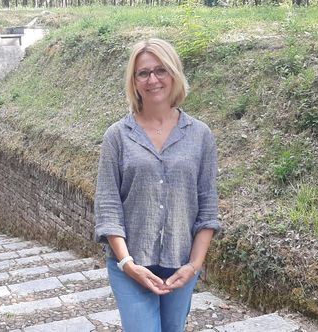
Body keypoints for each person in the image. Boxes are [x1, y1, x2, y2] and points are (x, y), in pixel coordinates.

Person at [94, 38, 221, 332]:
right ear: (134, 81)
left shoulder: (200, 135)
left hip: (181, 266)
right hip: (130, 264)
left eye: (160, 70)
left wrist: (193, 266)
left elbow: (207, 206)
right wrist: (127, 263)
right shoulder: (117, 136)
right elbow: (108, 206)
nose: (153, 79)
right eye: (143, 73)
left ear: (174, 73)